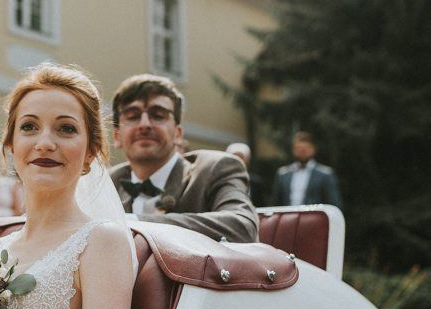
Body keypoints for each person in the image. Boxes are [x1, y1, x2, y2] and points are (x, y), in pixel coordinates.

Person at [0, 63, 135, 309]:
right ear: (11, 146)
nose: (45, 143)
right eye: (29, 127)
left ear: (91, 151)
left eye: (65, 129)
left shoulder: (102, 241)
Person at [109, 74, 258, 243]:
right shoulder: (105, 184)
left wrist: (133, 222)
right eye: (132, 116)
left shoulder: (216, 168)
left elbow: (243, 227)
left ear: (178, 134)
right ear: (116, 136)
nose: (144, 124)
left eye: (158, 115)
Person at [271, 131, 342, 209]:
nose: (302, 151)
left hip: (314, 219)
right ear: (293, 150)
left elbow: (333, 205)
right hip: (287, 219)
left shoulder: (325, 174)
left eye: (305, 148)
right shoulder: (283, 173)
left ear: (313, 149)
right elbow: (275, 204)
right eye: (298, 148)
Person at [226, 142, 264, 206]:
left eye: (241, 157)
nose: (237, 160)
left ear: (247, 159)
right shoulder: (221, 180)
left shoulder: (255, 182)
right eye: (234, 156)